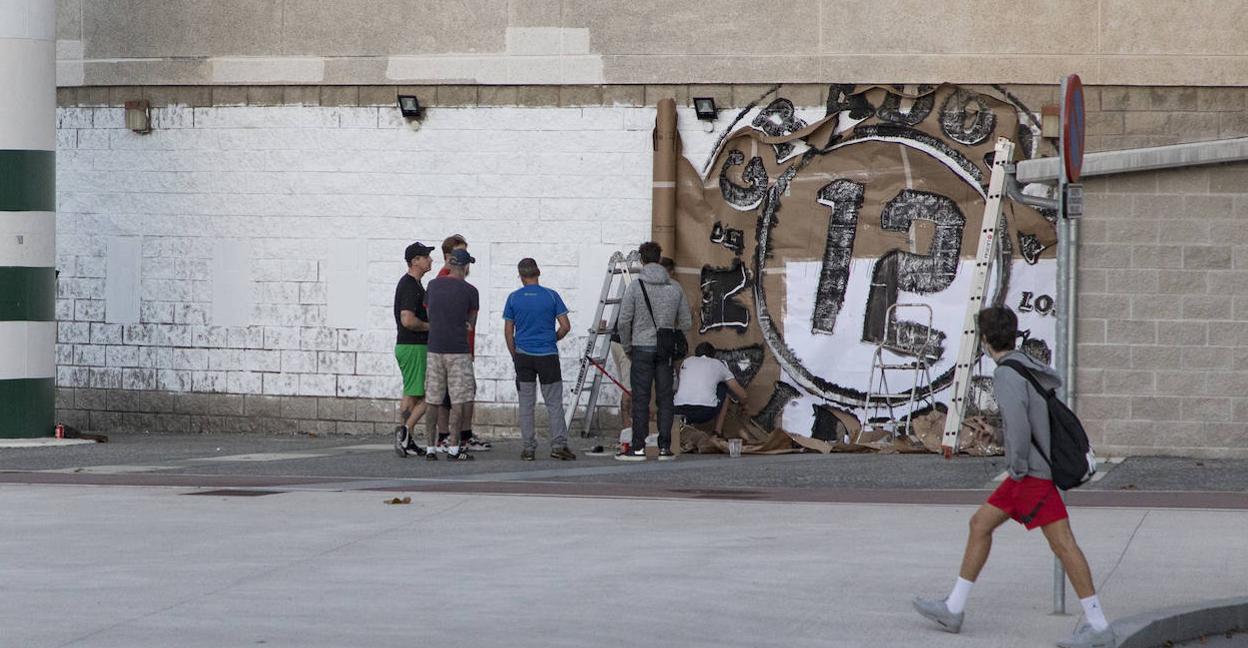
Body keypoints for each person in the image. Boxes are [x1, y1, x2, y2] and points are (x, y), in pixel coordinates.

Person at [913, 306, 1114, 648]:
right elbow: (1028, 422)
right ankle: (954, 607)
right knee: (980, 525)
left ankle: (1097, 625)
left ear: (986, 340)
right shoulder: (1024, 364)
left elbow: (1021, 427)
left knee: (1064, 544)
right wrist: (1001, 436)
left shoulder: (1006, 374)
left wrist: (1017, 466)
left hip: (1030, 476)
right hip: (1030, 472)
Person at [614, 241, 691, 461]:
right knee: (666, 398)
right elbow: (686, 321)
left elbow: (623, 321)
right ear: (659, 258)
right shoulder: (674, 287)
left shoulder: (635, 287)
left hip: (640, 347)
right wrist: (668, 328)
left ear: (641, 260)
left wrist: (628, 346)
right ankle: (665, 448)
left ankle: (638, 448)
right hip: (665, 349)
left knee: (641, 398)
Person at [503, 258, 575, 461]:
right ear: (538, 273)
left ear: (520, 276)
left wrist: (514, 353)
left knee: (526, 403)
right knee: (554, 402)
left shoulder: (513, 298)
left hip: (523, 356)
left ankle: (528, 448)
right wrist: (553, 338)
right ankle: (558, 446)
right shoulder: (551, 296)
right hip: (547, 356)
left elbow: (509, 331)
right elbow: (565, 326)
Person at [433, 234, 490, 452]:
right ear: (449, 256)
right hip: (451, 348)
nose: (465, 257)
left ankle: (463, 435)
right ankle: (446, 437)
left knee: (465, 391)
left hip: (462, 347)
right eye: (461, 252)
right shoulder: (443, 281)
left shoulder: (463, 285)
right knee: (450, 395)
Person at [422, 248, 480, 461]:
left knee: (433, 399)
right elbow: (470, 325)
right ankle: (454, 448)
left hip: (434, 348)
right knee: (459, 399)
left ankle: (430, 447)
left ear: (449, 264)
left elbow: (430, 314)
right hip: (458, 351)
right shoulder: (471, 291)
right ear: (465, 267)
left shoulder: (433, 285)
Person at [392, 242, 434, 457]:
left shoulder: (414, 284)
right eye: (426, 256)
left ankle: (406, 440)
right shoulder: (409, 285)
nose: (430, 260)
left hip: (409, 346)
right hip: (414, 345)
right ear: (415, 260)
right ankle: (405, 433)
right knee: (431, 392)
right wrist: (431, 326)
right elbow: (407, 320)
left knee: (412, 393)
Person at [674, 342, 748, 438]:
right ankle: (717, 433)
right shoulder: (717, 364)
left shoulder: (686, 361)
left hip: (679, 411)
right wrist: (744, 405)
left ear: (696, 353)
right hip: (705, 412)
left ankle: (680, 431)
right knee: (723, 388)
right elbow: (742, 394)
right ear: (713, 355)